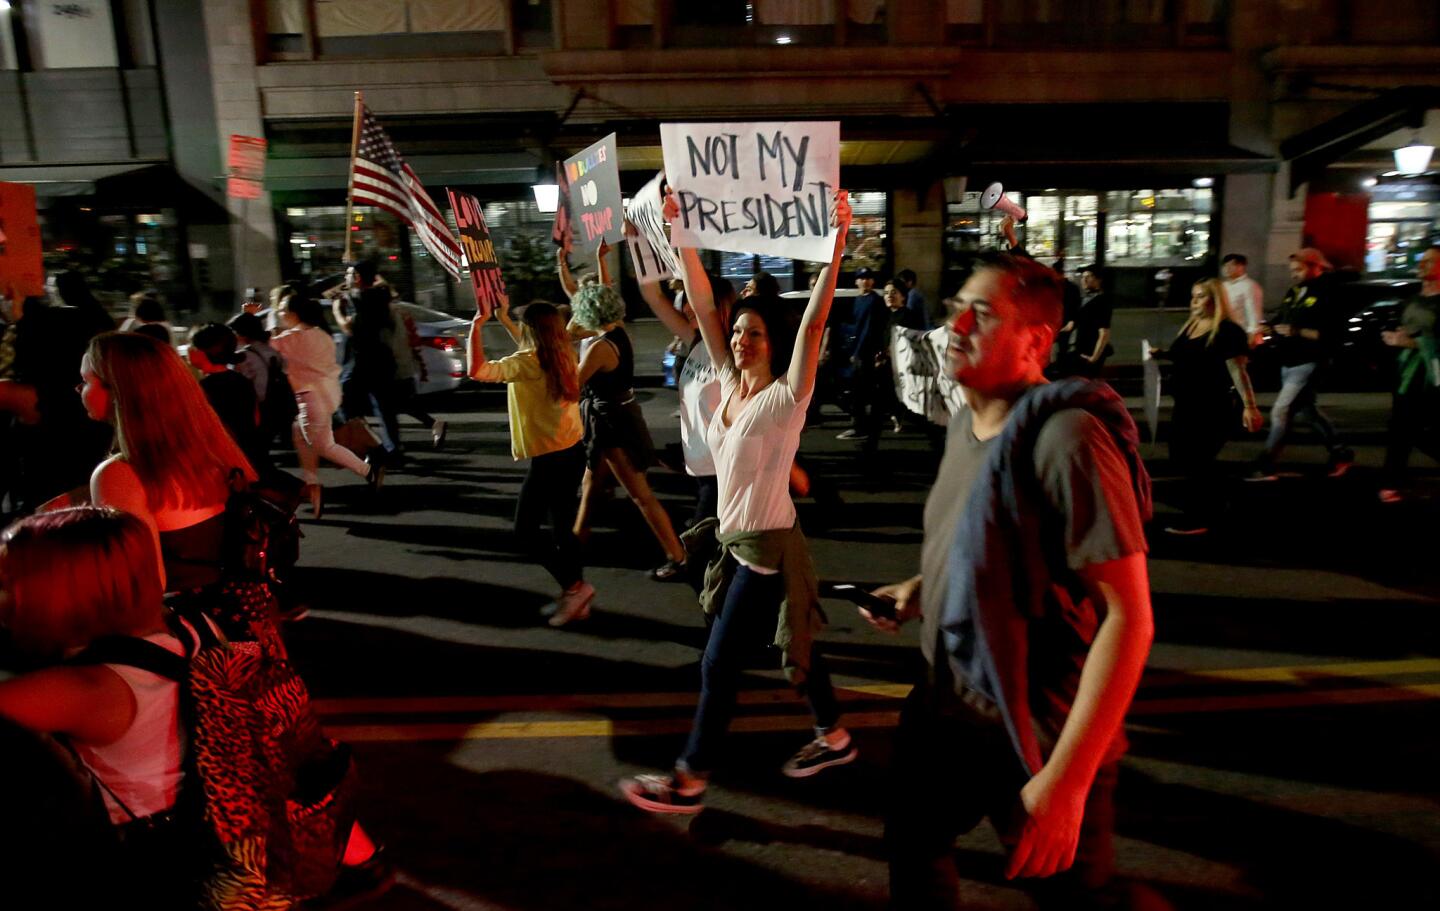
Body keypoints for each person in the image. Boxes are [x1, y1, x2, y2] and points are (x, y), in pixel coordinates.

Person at [864, 253, 1153, 909]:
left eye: (983, 312)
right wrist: (922, 588)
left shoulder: (1067, 438)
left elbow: (1128, 616)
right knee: (913, 850)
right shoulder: (968, 422)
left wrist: (1068, 781)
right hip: (948, 709)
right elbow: (989, 542)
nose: (956, 324)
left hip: (1034, 730)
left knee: (1075, 896)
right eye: (954, 307)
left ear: (1036, 341)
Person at [619, 188, 856, 815]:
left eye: (754, 334)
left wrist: (835, 248)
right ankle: (832, 735)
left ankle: (690, 779)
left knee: (720, 665)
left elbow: (814, 323)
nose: (742, 340)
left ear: (773, 344)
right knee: (795, 641)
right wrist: (680, 234)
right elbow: (700, 302)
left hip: (765, 550)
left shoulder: (785, 401)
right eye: (739, 331)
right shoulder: (727, 383)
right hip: (744, 542)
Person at [0, 507, 199, 906]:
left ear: (52, 589)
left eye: (9, 581)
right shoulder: (185, 627)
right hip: (193, 832)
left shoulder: (87, 689)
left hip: (130, 862)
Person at [80, 332, 256, 607]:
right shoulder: (212, 449)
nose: (78, 390)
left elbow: (144, 586)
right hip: (244, 627)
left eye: (85, 381)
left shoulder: (122, 474)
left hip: (187, 638)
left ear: (119, 391)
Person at [468, 298, 592, 626]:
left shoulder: (530, 360)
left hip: (550, 459)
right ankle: (576, 594)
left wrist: (476, 327)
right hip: (572, 451)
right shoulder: (562, 351)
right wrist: (505, 319)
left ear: (531, 330)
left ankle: (575, 588)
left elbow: (478, 371)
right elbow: (529, 354)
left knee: (525, 532)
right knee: (562, 529)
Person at [568, 281, 689, 582]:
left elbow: (572, 386)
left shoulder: (599, 347)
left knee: (641, 496)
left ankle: (678, 557)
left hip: (612, 425)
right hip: (618, 418)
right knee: (591, 483)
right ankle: (574, 544)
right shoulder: (617, 332)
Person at [1149, 280, 1263, 534]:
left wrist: (1250, 406)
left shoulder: (1227, 331)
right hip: (1185, 405)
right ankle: (1218, 500)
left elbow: (1238, 371)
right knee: (1181, 456)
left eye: (1201, 297)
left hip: (1212, 406)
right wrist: (1163, 354)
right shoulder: (1192, 325)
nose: (1194, 302)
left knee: (1197, 459)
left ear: (1216, 300)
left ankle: (1202, 515)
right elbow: (1186, 355)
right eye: (1193, 296)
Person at [638, 260, 734, 528]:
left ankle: (685, 564)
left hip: (721, 468)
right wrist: (640, 241)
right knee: (715, 540)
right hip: (698, 463)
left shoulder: (730, 353)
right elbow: (653, 295)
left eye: (695, 300)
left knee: (700, 541)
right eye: (686, 301)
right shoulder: (695, 342)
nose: (686, 308)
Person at [270, 295, 382, 518]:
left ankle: (368, 470)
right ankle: (313, 486)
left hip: (310, 397)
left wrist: (252, 315)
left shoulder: (291, 338)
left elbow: (258, 344)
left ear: (294, 314)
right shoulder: (321, 334)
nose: (279, 314)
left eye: (282, 310)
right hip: (326, 393)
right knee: (301, 438)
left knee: (322, 445)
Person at [1249, 247, 1354, 481]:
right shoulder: (1295, 291)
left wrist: (1297, 331)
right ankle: (1341, 452)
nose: (1293, 274)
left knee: (1280, 410)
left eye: (1298, 269)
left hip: (1309, 360)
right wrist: (1271, 326)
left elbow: (1331, 334)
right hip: (1290, 359)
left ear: (1316, 267)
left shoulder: (1329, 293)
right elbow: (1283, 317)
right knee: (1308, 412)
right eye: (1292, 270)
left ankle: (1266, 462)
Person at [1378, 243, 1440, 503]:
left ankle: (1393, 481)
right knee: (1402, 428)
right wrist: (1393, 337)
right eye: (1422, 260)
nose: (1421, 264)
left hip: (1432, 376)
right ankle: (1393, 482)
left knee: (1421, 430)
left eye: (1429, 261)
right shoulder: (1413, 300)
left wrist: (1414, 342)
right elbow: (1402, 328)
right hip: (1407, 373)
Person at [333, 259, 402, 466]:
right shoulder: (382, 295)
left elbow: (349, 327)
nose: (346, 278)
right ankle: (392, 449)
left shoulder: (358, 298)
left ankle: (370, 445)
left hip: (359, 361)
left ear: (357, 277)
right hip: (381, 358)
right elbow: (389, 290)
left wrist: (337, 309)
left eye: (349, 274)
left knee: (343, 403)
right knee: (384, 407)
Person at [187, 323, 270, 477]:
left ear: (204, 352)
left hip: (223, 460)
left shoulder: (205, 387)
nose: (188, 351)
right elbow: (255, 418)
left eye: (192, 346)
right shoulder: (241, 381)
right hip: (248, 451)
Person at [836, 266, 891, 447]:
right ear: (856, 281)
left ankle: (861, 427)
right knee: (857, 391)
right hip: (857, 351)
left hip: (867, 353)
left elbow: (869, 329)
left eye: (869, 278)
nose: (866, 281)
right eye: (862, 278)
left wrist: (858, 352)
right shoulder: (858, 300)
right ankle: (861, 425)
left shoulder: (875, 301)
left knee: (861, 392)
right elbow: (856, 326)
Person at [389, 303, 447, 449]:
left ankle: (390, 445)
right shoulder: (400, 314)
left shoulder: (390, 315)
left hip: (395, 367)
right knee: (400, 404)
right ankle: (433, 424)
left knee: (393, 405)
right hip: (403, 366)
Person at [1050, 264, 1114, 378]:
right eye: (1083, 276)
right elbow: (1072, 324)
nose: (1084, 280)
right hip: (1076, 351)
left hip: (1088, 352)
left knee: (1082, 385)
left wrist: (1094, 357)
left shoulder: (1102, 301)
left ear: (1099, 280)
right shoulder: (1084, 300)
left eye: (1089, 276)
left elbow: (1104, 333)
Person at [1221, 253, 1264, 344]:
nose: (1226, 269)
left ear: (1241, 267)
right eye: (1225, 265)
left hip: (1241, 334)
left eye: (1231, 265)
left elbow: (1254, 314)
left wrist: (1251, 335)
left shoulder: (1250, 286)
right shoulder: (1223, 285)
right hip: (1224, 331)